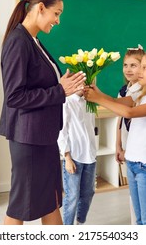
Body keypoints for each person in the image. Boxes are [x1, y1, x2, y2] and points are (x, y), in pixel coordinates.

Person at [0, 0, 86, 225]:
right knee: (20, 206)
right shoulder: (18, 41)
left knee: (51, 200)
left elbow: (40, 85)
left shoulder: (33, 41)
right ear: (40, 8)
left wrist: (64, 86)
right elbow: (14, 97)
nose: (58, 21)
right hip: (29, 139)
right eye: (56, 13)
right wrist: (59, 91)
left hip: (43, 136)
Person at [85, 51, 146, 225]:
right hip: (133, 162)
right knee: (139, 218)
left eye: (144, 68)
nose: (138, 71)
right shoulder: (140, 95)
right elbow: (115, 101)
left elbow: (129, 113)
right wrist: (98, 94)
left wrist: (98, 99)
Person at [57, 90, 97, 225]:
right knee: (72, 196)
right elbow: (61, 131)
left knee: (88, 193)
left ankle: (80, 222)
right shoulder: (66, 102)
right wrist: (67, 157)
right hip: (74, 156)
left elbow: (90, 127)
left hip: (90, 155)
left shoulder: (90, 102)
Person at [115, 45, 144, 165]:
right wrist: (118, 145)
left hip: (139, 149)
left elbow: (141, 126)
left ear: (143, 68)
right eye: (125, 65)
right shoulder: (123, 91)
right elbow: (120, 119)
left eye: (133, 66)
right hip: (126, 145)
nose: (128, 70)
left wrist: (128, 150)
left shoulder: (144, 92)